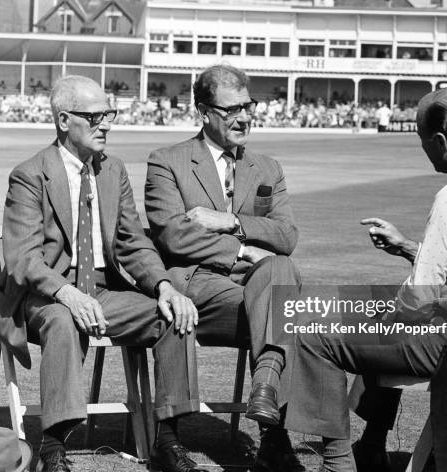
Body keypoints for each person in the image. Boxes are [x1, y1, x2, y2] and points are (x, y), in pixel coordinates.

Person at [282, 88, 447, 472]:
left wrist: (387, 314)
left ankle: (337, 462)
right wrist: (410, 248)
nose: (423, 148)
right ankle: (371, 444)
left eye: (421, 139)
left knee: (317, 333)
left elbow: (417, 301)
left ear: (441, 141)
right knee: (380, 320)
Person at [0, 75, 201, 472]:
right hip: (46, 296)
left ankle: (167, 443)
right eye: (95, 115)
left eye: (109, 113)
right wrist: (68, 294)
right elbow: (22, 259)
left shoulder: (112, 170)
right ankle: (53, 449)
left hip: (105, 292)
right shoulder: (30, 174)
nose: (106, 123)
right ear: (64, 120)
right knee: (63, 320)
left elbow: (132, 242)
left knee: (175, 315)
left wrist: (165, 286)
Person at [144, 64, 303, 472]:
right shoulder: (167, 161)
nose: (244, 117)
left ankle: (265, 390)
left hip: (256, 287)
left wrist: (231, 221)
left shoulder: (268, 167)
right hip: (197, 283)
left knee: (281, 271)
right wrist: (244, 251)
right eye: (231, 110)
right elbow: (173, 236)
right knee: (287, 308)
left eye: (247, 106)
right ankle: (272, 434)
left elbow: (286, 236)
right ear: (203, 111)